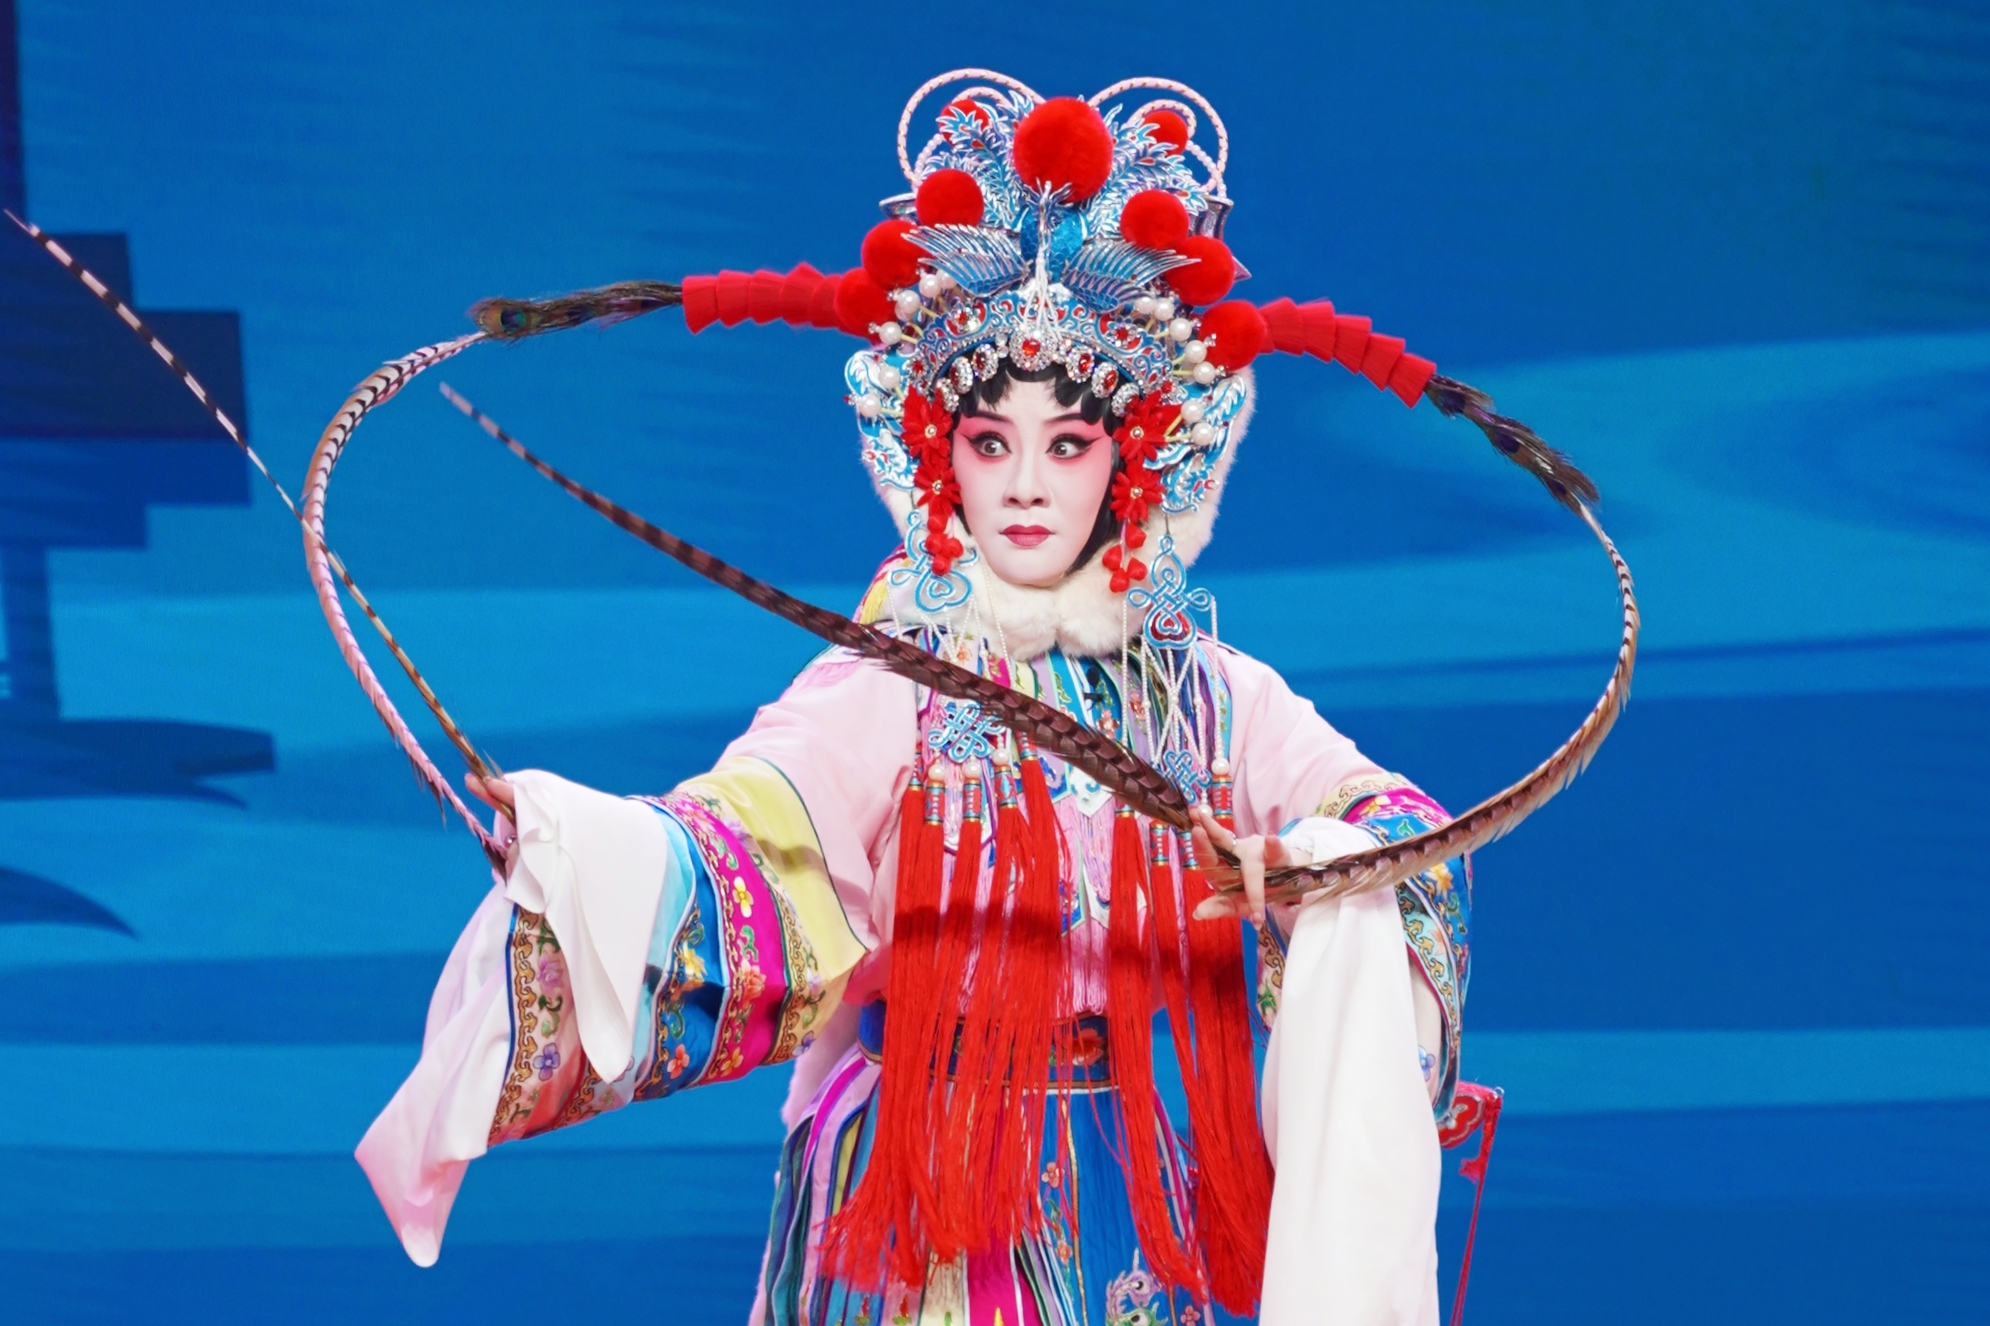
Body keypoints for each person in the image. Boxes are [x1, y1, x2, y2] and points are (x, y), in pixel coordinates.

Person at [356, 74, 1474, 1326]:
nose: (1026, 485)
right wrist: (583, 855)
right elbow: (746, 835)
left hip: (1135, 1187)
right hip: (923, 1179)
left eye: (1068, 444)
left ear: (1130, 461)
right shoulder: (894, 678)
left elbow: (1401, 829)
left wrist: (1307, 871)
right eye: (991, 442)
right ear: (939, 458)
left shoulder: (1206, 697)